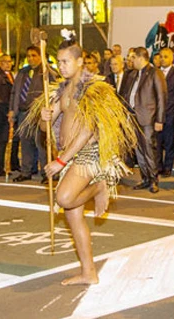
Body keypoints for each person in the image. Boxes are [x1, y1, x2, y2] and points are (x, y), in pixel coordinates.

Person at [21, 36, 137, 285]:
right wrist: (45, 117)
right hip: (69, 155)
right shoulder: (61, 90)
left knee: (63, 198)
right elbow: (45, 129)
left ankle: (100, 186)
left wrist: (61, 161)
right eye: (59, 62)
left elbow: (87, 130)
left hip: (87, 154)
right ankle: (89, 272)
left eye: (66, 61)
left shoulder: (93, 89)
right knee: (73, 217)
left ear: (80, 61)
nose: (61, 66)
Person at [9, 46, 56, 183]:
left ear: (40, 56)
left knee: (41, 143)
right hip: (23, 113)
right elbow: (15, 92)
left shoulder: (47, 72)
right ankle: (26, 171)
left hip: (39, 114)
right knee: (25, 143)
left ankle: (47, 172)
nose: (31, 58)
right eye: (28, 56)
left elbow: (54, 91)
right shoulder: (23, 72)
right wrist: (12, 109)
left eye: (34, 55)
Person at [123, 47, 167, 193]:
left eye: (133, 57)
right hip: (133, 117)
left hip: (148, 118)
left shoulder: (155, 73)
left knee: (149, 150)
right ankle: (145, 178)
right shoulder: (133, 74)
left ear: (141, 58)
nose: (131, 60)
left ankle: (154, 180)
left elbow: (161, 97)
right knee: (139, 150)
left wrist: (160, 120)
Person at [156, 48, 174, 177]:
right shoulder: (155, 73)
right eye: (161, 56)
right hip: (156, 115)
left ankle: (168, 167)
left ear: (172, 58)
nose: (163, 59)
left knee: (169, 143)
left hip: (170, 114)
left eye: (166, 56)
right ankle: (158, 167)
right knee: (156, 143)